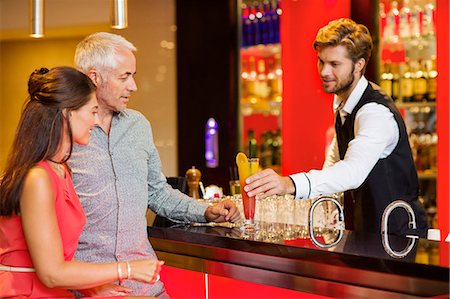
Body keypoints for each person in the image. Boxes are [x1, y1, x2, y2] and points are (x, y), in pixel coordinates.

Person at [69, 32, 241, 297]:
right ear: (94, 78)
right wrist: (83, 286)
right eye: (124, 77)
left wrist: (205, 211)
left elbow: (157, 191)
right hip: (88, 290)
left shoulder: (138, 125)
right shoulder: (62, 134)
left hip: (146, 287)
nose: (133, 86)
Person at [244, 18, 428, 238]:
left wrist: (289, 184)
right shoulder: (343, 106)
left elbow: (353, 171)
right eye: (321, 62)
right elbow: (334, 161)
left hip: (397, 238)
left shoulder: (374, 112)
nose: (324, 72)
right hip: (366, 235)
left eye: (335, 64)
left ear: (359, 65)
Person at [0, 67, 162, 298]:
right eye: (93, 111)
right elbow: (52, 273)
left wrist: (94, 287)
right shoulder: (38, 177)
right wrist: (128, 268)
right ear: (68, 113)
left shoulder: (61, 170)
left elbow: (58, 261)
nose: (96, 122)